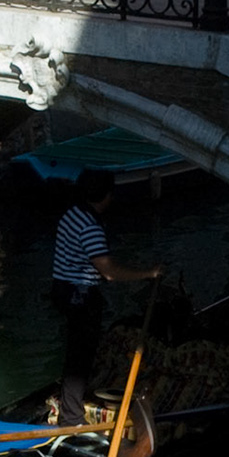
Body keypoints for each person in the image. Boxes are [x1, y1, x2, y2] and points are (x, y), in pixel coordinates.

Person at [49, 168, 162, 426]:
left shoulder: (72, 213)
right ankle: (72, 418)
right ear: (107, 195)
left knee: (77, 351)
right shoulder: (90, 226)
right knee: (80, 356)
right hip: (80, 296)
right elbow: (109, 272)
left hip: (63, 291)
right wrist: (148, 273)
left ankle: (71, 405)